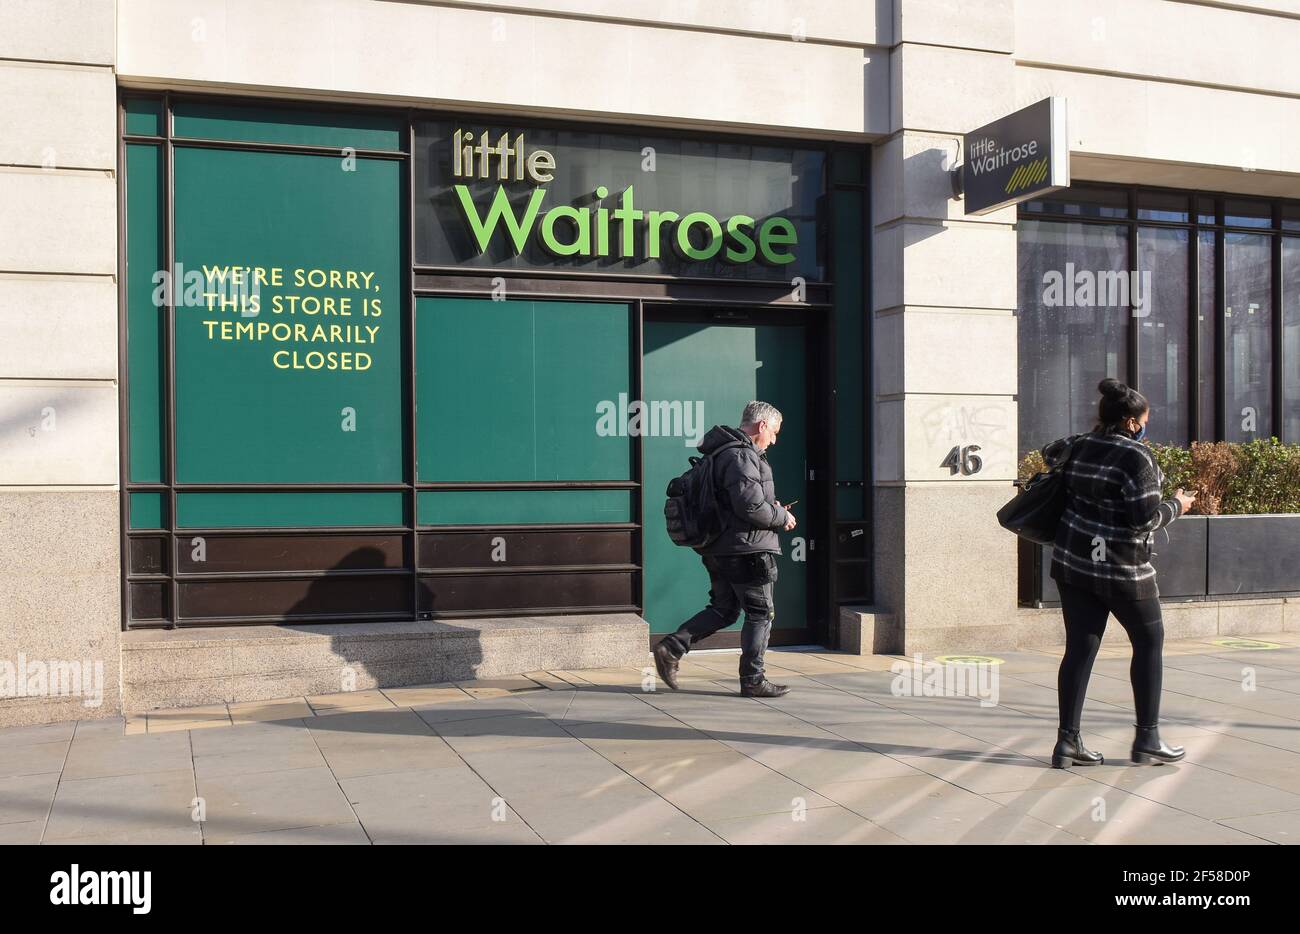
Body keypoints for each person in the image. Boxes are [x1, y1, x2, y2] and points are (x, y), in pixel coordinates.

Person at [1043, 378, 1196, 768]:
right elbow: (1143, 519)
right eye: (1144, 421)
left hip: (1074, 563)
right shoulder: (1137, 458)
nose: (1146, 427)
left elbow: (1049, 454)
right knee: (1148, 643)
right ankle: (1148, 738)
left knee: (1080, 648)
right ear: (1131, 422)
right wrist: (1177, 504)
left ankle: (1068, 743)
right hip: (1122, 570)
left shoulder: (1080, 444)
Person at [653, 401, 797, 698]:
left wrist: (771, 510)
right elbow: (751, 507)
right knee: (760, 613)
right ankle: (753, 679)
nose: (774, 439)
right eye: (774, 432)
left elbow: (740, 503)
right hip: (746, 550)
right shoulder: (742, 456)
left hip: (721, 547)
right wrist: (782, 517)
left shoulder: (720, 453)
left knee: (725, 609)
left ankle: (672, 647)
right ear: (762, 426)